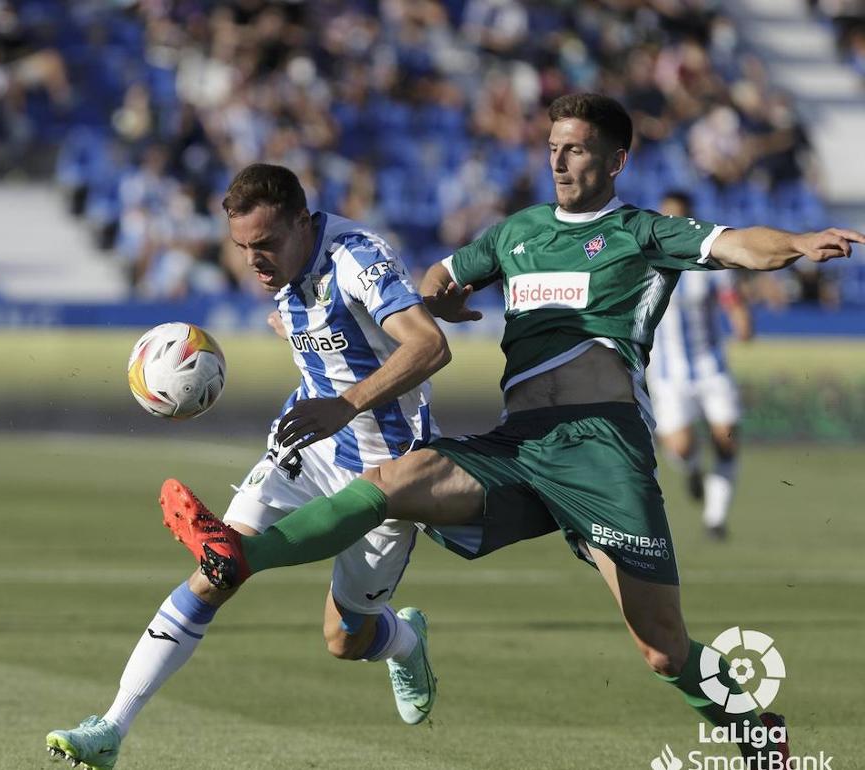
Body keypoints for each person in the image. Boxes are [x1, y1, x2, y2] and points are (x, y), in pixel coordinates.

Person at [161, 94, 862, 764]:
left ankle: (754, 726)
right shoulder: (517, 233)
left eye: (579, 151)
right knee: (396, 480)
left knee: (663, 651)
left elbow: (738, 244)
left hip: (601, 450)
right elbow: (440, 273)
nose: (560, 163)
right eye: (554, 148)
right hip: (520, 445)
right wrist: (442, 298)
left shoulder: (641, 232)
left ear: (616, 161)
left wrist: (797, 242)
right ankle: (240, 555)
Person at [46, 163, 469, 769]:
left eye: (266, 243)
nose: (254, 259)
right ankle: (111, 727)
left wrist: (345, 404)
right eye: (243, 247)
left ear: (303, 220)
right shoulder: (280, 264)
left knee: (346, 639)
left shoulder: (356, 257)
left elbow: (430, 345)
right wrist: (297, 339)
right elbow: (328, 331)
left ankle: (404, 642)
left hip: (389, 467)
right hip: (305, 443)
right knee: (220, 567)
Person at [648, 191, 753, 539]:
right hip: (667, 374)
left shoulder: (709, 262)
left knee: (727, 440)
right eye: (669, 217)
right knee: (680, 446)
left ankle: (715, 519)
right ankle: (693, 470)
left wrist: (740, 320)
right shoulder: (647, 261)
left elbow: (730, 297)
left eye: (681, 217)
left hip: (712, 367)